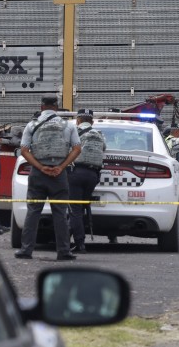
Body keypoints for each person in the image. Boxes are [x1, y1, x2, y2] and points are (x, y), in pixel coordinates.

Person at [15, 95, 81, 260]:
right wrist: (61, 166)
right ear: (56, 107)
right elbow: (77, 149)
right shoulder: (68, 125)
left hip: (38, 174)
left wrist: (40, 167)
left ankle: (26, 250)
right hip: (59, 175)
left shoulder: (32, 124)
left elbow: (24, 150)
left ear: (42, 107)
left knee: (33, 212)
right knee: (60, 213)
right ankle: (64, 251)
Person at [68, 109, 105, 253]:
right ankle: (68, 238)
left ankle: (79, 243)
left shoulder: (74, 132)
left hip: (76, 173)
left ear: (78, 121)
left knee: (75, 210)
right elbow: (104, 149)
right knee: (81, 208)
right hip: (93, 176)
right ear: (92, 122)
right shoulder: (100, 134)